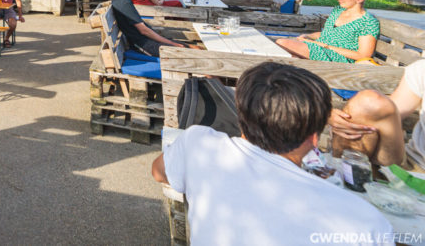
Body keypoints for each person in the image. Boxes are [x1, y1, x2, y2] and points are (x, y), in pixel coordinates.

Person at [151, 62, 392, 245]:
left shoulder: (199, 144)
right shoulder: (366, 223)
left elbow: (158, 172)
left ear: (241, 117)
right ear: (315, 138)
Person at [328, 57, 425, 169]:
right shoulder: (422, 70)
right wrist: (331, 117)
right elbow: (383, 112)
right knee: (367, 102)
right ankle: (338, 174)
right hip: (411, 165)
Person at [276, 0, 379, 62]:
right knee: (287, 56)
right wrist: (309, 36)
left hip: (340, 58)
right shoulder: (338, 11)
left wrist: (325, 46)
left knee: (281, 43)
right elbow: (327, 34)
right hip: (321, 50)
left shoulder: (368, 22)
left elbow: (363, 55)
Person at [110, 0, 191, 57]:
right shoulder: (123, 2)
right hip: (145, 45)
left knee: (191, 47)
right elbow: (144, 31)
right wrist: (173, 44)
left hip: (148, 41)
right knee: (189, 51)